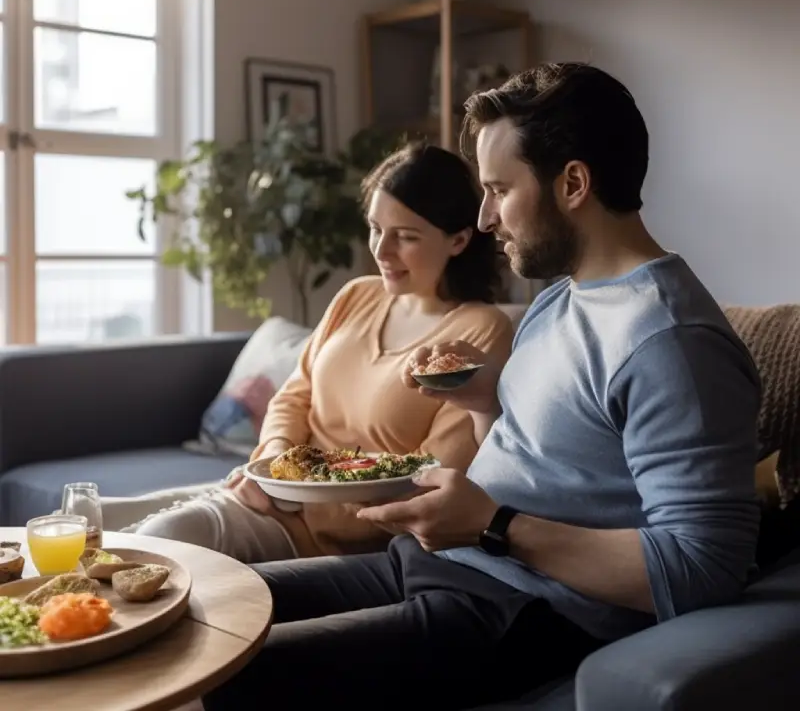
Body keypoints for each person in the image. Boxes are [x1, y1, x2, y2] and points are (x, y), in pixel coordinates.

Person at [202, 63, 761, 711]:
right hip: (437, 564)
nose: (485, 218)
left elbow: (702, 570)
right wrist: (478, 398)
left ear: (574, 183)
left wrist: (494, 526)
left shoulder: (671, 340)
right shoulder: (561, 299)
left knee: (222, 673)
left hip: (524, 610)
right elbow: (538, 460)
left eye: (499, 189)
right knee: (206, 607)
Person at [135, 142, 513, 563]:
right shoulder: (357, 295)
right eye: (375, 229)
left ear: (459, 240)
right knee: (125, 535)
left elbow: (431, 480)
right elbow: (295, 396)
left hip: (340, 539)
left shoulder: (480, 331)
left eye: (405, 237)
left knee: (158, 543)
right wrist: (275, 465)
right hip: (274, 499)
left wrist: (298, 496)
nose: (382, 252)